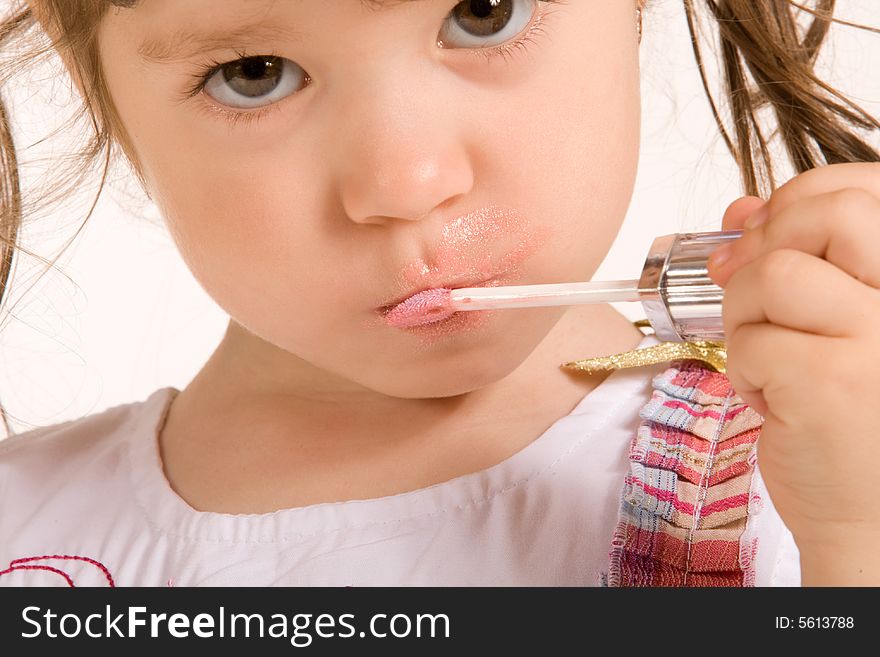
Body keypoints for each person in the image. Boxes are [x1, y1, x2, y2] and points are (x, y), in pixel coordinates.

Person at [0, 0, 877, 587]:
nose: (406, 180)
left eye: (483, 11)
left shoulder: (816, 468)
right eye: (256, 71)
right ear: (99, 92)